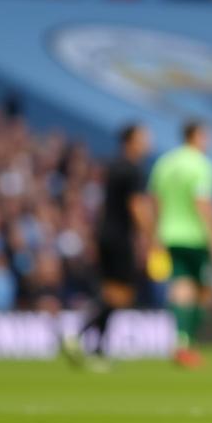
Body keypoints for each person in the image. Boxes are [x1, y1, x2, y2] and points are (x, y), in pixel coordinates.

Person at [63, 122, 154, 368]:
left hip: (105, 235)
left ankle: (97, 350)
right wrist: (152, 236)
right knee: (121, 295)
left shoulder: (113, 167)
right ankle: (79, 336)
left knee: (112, 293)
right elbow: (136, 206)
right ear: (130, 141)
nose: (148, 141)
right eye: (143, 137)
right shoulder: (133, 170)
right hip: (119, 238)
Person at [148, 120, 212, 368]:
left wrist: (155, 233)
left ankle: (182, 342)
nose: (209, 141)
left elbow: (154, 199)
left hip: (169, 234)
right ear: (196, 136)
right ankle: (187, 343)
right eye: (207, 136)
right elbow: (203, 203)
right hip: (195, 236)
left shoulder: (165, 162)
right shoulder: (200, 164)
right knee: (203, 292)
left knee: (181, 285)